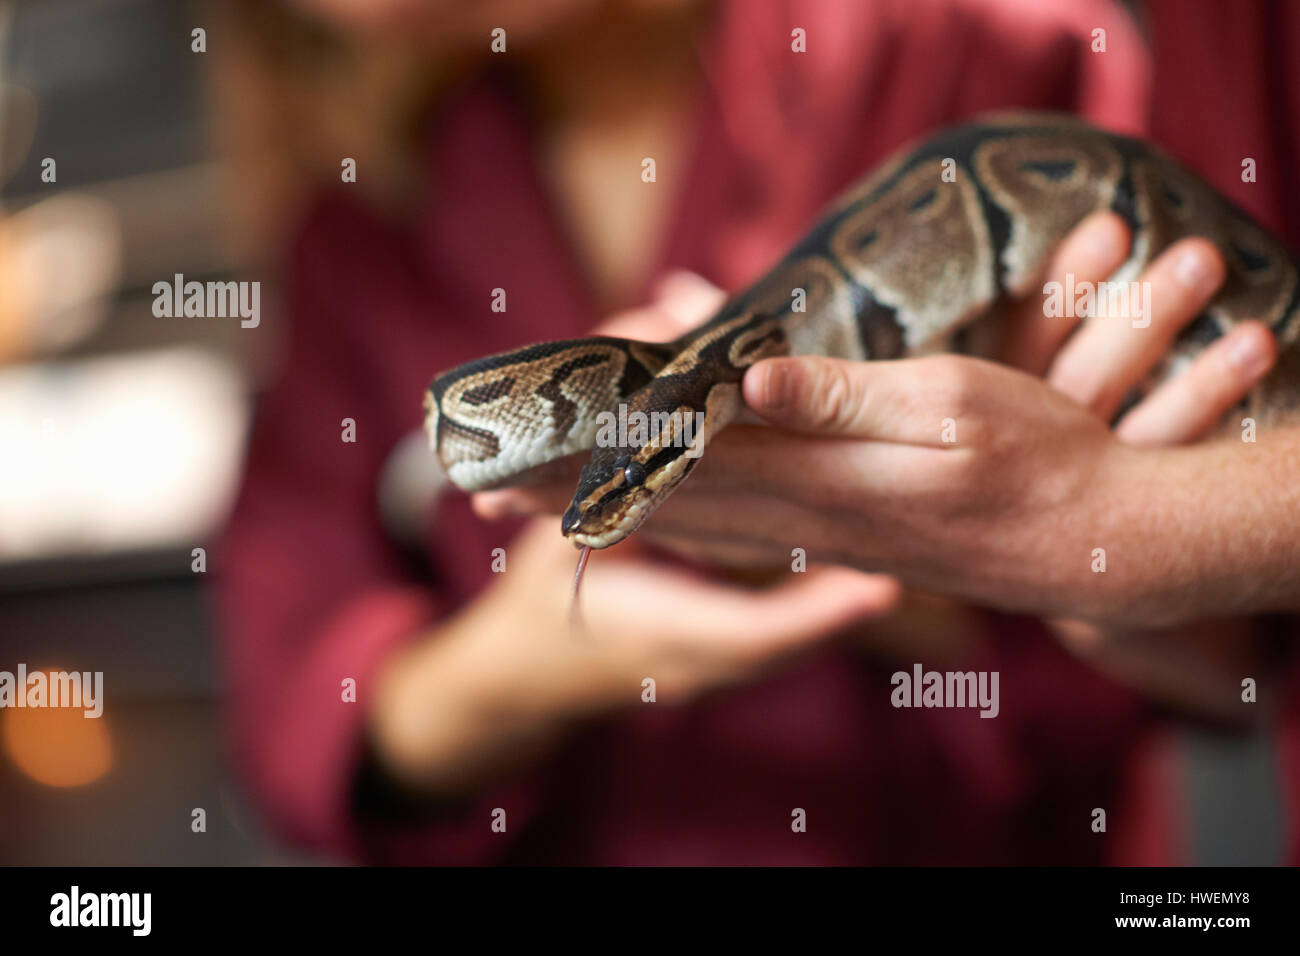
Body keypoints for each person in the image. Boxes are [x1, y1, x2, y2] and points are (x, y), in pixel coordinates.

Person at [216, 0, 1300, 863]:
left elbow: (1223, 663)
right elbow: (290, 704)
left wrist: (912, 567)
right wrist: (505, 671)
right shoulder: (349, 232)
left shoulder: (989, 49)